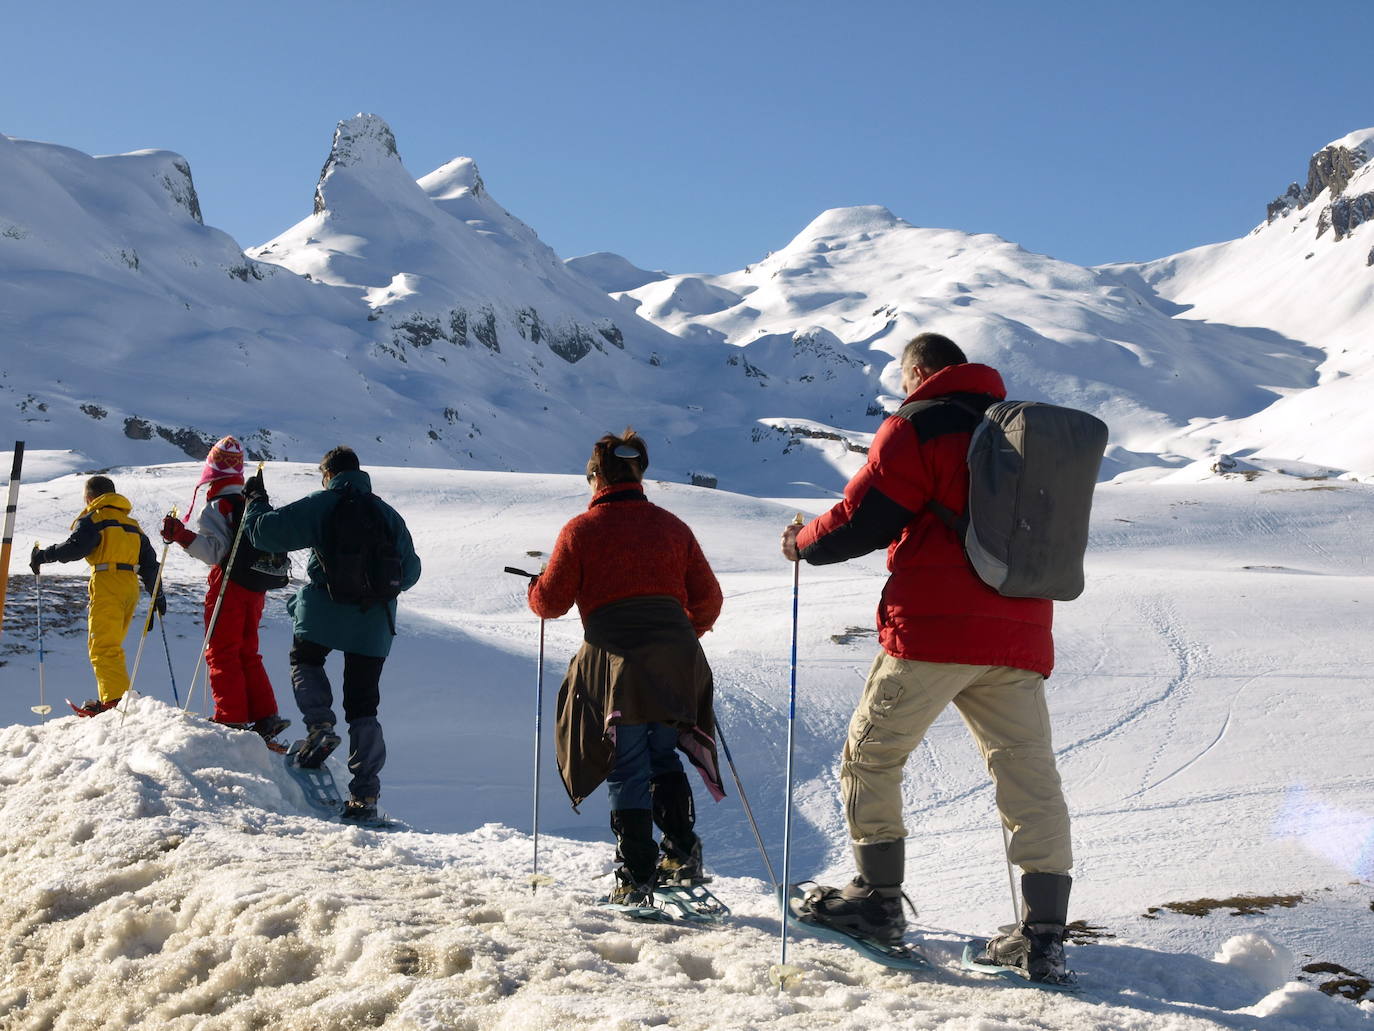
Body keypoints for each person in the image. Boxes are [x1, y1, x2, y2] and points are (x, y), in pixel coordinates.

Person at [780, 332, 1075, 985]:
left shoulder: (920, 423)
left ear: (917, 371)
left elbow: (864, 518)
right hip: (1021, 628)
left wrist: (802, 542)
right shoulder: (1020, 429)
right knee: (1028, 775)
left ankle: (878, 902)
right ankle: (1044, 936)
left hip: (933, 629)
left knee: (871, 755)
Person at [528, 428, 725, 905]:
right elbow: (709, 599)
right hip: (676, 661)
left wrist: (534, 589)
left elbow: (550, 603)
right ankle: (681, 852)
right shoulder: (673, 527)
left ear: (596, 477)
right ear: (639, 473)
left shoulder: (581, 530)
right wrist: (677, 635)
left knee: (626, 765)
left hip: (618, 667)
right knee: (663, 755)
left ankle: (635, 876)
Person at [242, 446, 421, 823]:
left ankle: (319, 724)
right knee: (363, 706)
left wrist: (256, 500)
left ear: (327, 474)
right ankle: (365, 794)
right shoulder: (387, 514)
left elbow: (265, 534)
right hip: (373, 626)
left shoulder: (323, 503)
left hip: (323, 611)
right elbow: (409, 573)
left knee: (306, 660)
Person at [160, 435, 290, 747]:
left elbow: (214, 552)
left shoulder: (218, 506)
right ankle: (265, 714)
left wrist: (181, 535)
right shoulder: (252, 504)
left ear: (211, 474)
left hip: (228, 585)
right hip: (256, 587)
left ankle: (230, 715)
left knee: (221, 649)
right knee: (247, 650)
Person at [30, 475, 164, 715]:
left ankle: (116, 701)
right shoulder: (132, 524)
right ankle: (118, 697)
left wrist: (43, 556)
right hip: (130, 586)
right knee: (112, 645)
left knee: (102, 646)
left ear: (89, 497)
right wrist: (157, 595)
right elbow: (150, 564)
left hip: (107, 582)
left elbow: (76, 547)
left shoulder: (95, 517)